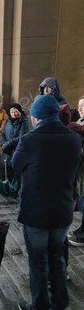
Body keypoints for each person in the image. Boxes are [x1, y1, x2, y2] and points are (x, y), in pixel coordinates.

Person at [11, 94, 81, 310]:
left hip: (36, 212)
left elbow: (15, 166)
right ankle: (60, 303)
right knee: (57, 257)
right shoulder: (72, 138)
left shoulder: (30, 140)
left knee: (38, 261)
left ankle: (40, 306)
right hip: (62, 209)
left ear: (36, 116)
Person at [67, 95, 84, 246]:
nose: (79, 109)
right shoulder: (79, 123)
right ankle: (82, 230)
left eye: (83, 106)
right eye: (79, 106)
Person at [0, 103, 29, 185]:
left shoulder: (23, 121)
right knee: (8, 170)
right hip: (7, 151)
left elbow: (22, 137)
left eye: (16, 112)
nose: (14, 114)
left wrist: (7, 144)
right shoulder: (7, 121)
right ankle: (9, 188)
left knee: (16, 171)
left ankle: (16, 190)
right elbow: (2, 133)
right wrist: (3, 143)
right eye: (12, 112)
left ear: (19, 112)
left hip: (18, 150)